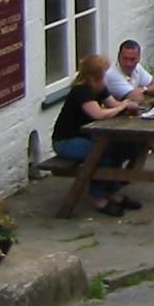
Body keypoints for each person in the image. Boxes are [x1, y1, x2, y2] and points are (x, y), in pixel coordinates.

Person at [52, 53, 142, 217]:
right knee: (101, 154)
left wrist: (127, 105)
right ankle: (98, 196)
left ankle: (113, 192)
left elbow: (112, 104)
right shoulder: (82, 91)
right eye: (104, 72)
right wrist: (122, 107)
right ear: (95, 74)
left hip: (87, 137)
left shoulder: (99, 87)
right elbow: (98, 114)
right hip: (67, 141)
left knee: (121, 148)